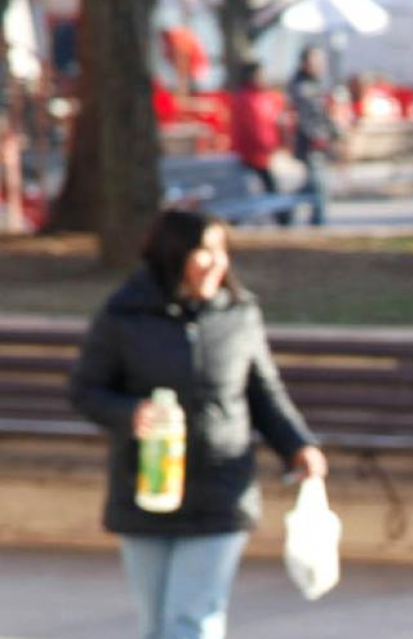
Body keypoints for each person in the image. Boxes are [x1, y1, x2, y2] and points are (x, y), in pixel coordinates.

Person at [69, 208, 328, 639]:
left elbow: (264, 393)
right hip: (147, 489)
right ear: (173, 255)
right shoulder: (124, 315)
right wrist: (130, 413)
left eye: (221, 251)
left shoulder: (239, 313)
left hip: (221, 489)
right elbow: (85, 390)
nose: (216, 262)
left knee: (191, 619)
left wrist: (298, 445)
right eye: (204, 251)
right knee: (157, 625)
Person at [287, 46, 339, 226]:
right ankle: (319, 221)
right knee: (319, 185)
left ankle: (286, 207)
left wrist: (334, 132)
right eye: (315, 61)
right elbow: (303, 116)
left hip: (321, 141)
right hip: (309, 143)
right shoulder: (299, 85)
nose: (320, 65)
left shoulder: (317, 83)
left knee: (313, 184)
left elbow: (324, 113)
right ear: (305, 63)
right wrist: (316, 137)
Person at [230, 61, 287, 223]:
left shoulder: (263, 97)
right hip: (251, 153)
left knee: (265, 187)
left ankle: (282, 218)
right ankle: (282, 218)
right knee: (263, 187)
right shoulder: (246, 99)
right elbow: (252, 128)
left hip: (262, 153)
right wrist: (266, 145)